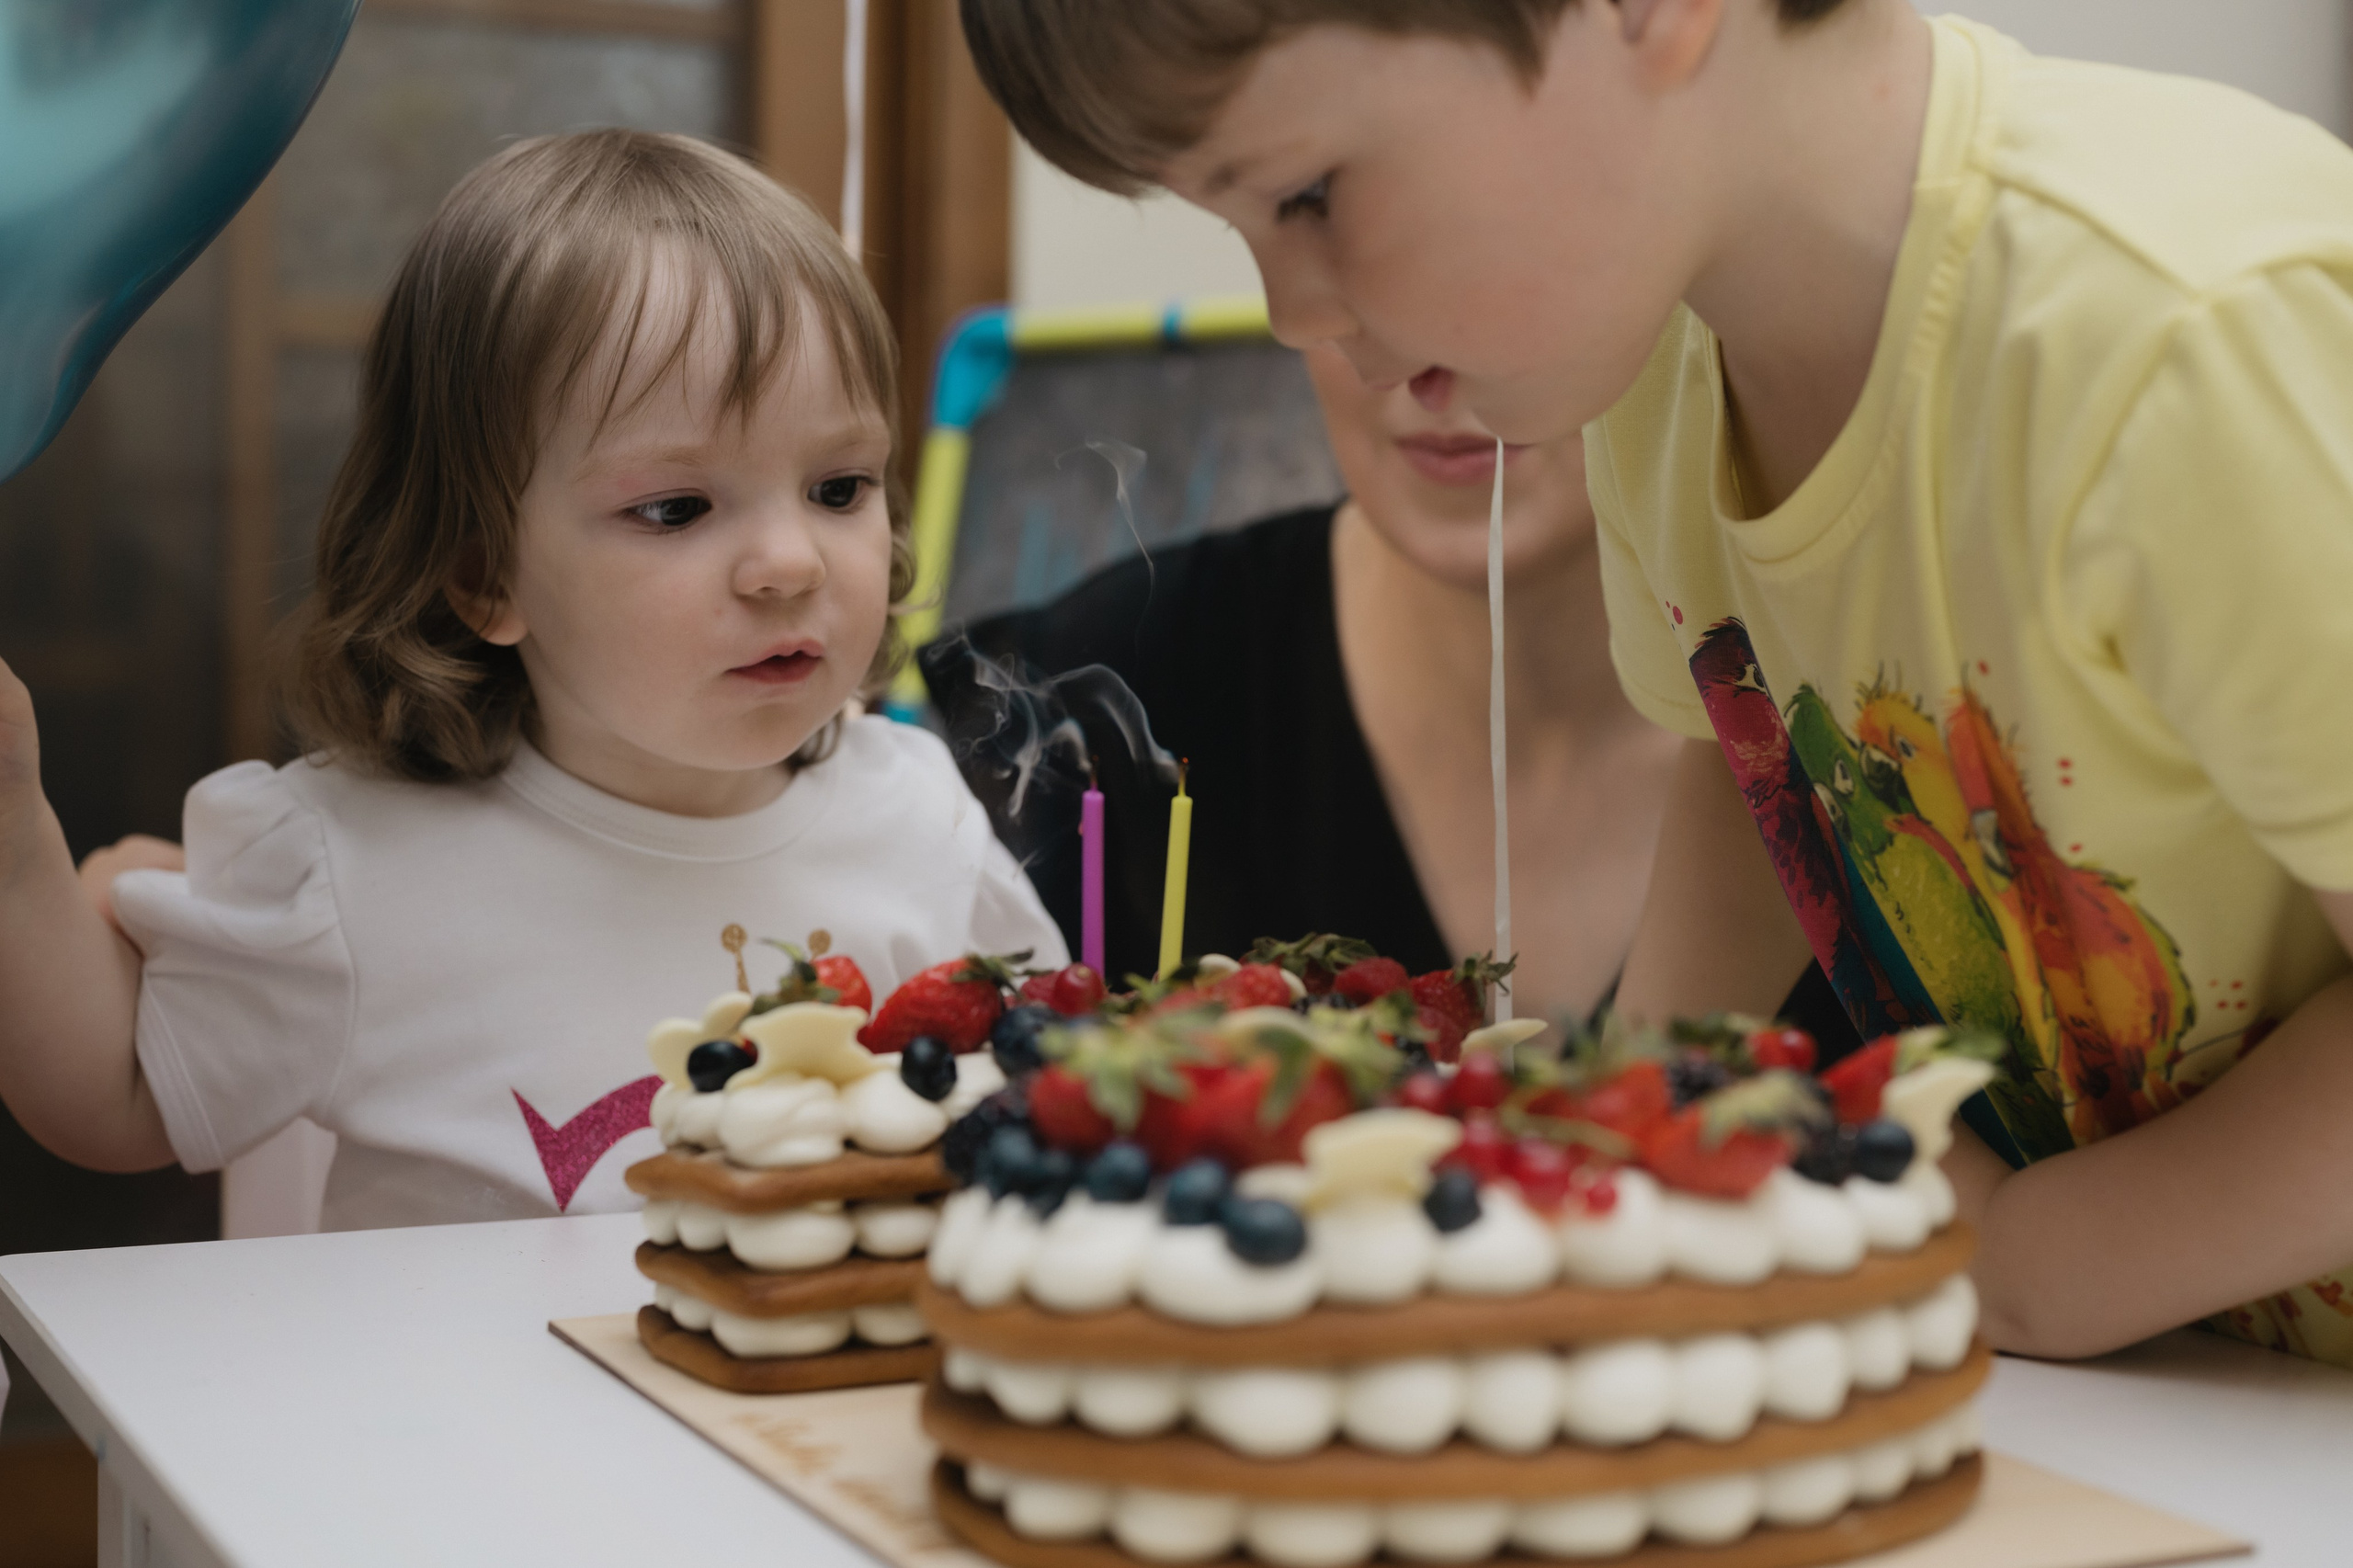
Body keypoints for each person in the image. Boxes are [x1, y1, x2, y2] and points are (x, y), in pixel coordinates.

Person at [959, 0, 2353, 1367]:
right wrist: (1616, 1129)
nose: (1288, 314)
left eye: (1310, 195)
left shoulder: (2178, 338)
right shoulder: (1661, 366)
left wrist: (2051, 1263)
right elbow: (1755, 758)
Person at [0, 130, 1063, 1230]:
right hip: (453, 1406)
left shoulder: (919, 813)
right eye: (676, 507)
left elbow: (1051, 1088)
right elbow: (119, 1099)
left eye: (840, 487)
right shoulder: (348, 867)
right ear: (483, 572)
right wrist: (13, 832)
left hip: (813, 1398)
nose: (791, 563)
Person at [932, 340, 1853, 1043]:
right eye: (1327, 217)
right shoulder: (1068, 712)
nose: (1426, 358)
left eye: (1510, 253)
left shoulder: (1879, 724)